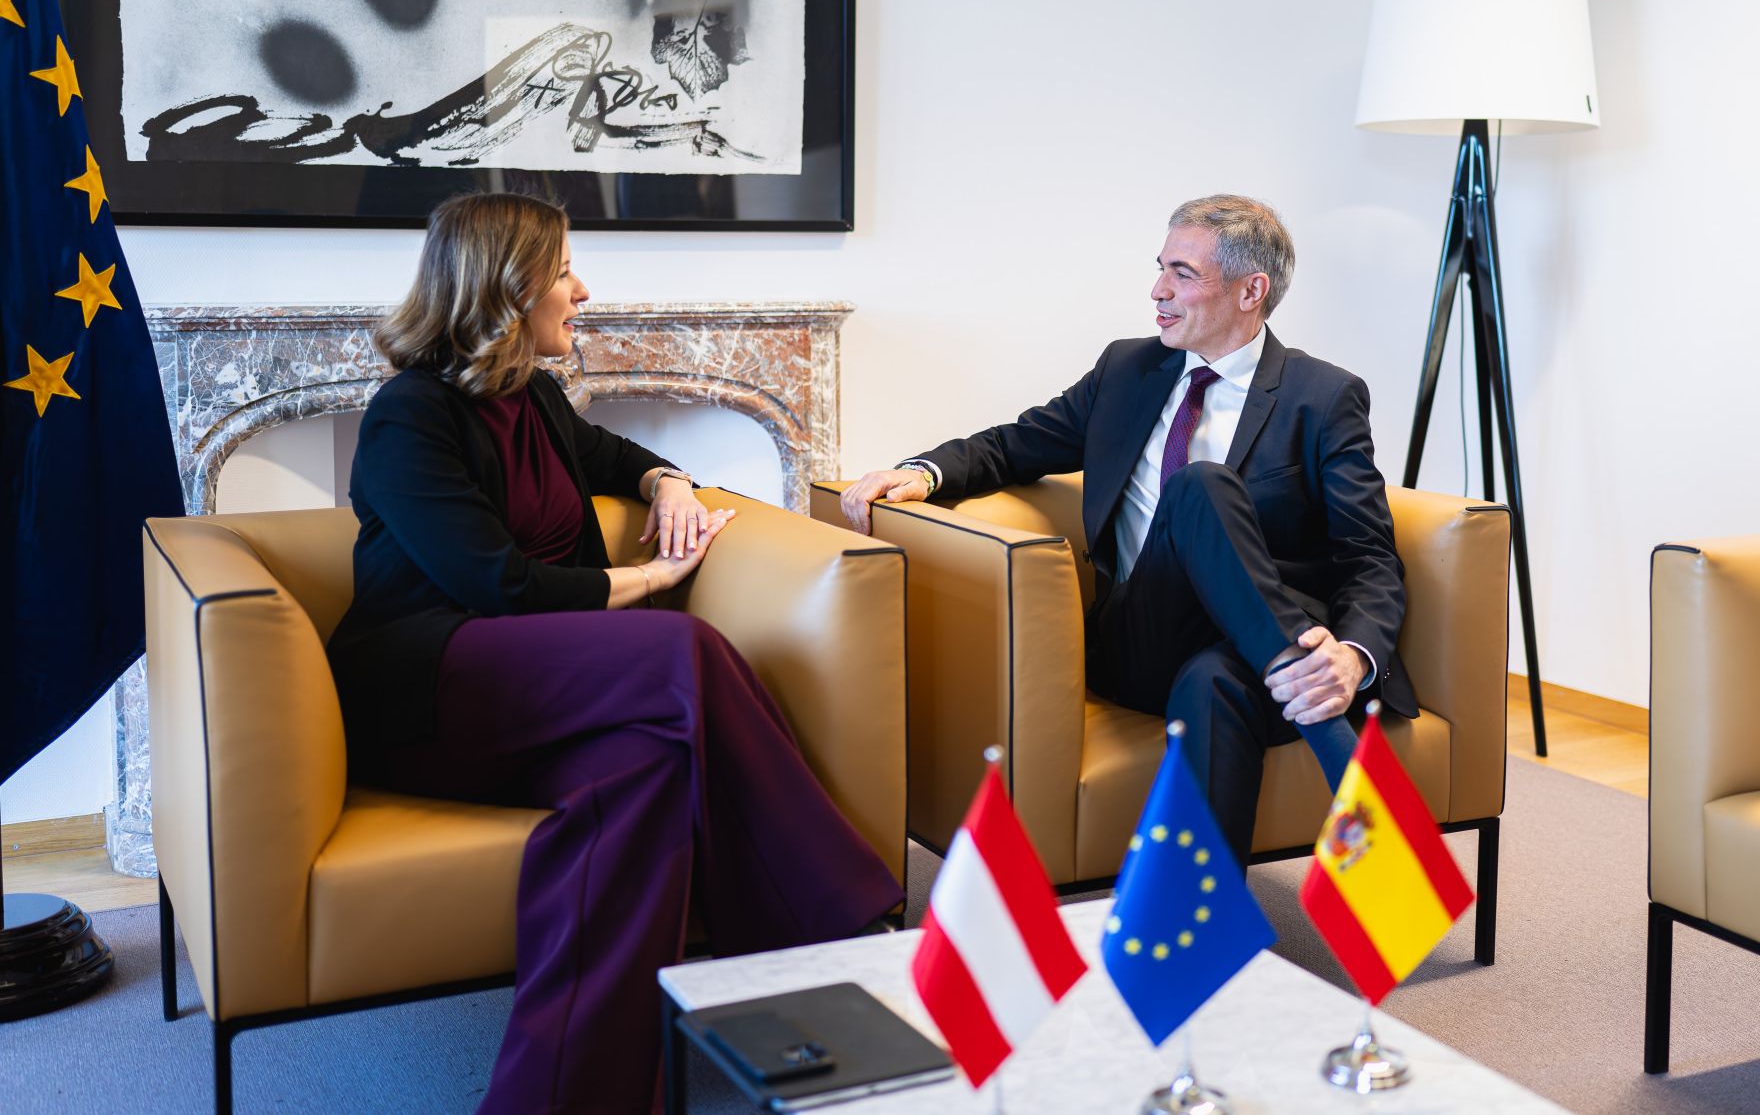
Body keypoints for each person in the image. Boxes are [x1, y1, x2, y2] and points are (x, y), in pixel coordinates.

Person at [327, 192, 902, 1114]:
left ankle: (564, 1094)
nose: (582, 290)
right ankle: (845, 930)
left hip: (545, 691)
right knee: (682, 648)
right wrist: (652, 578)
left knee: (641, 776)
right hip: (434, 689)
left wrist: (668, 480)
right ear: (507, 287)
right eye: (563, 272)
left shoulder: (535, 396)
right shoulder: (409, 416)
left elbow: (611, 455)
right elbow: (499, 586)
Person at [839, 195, 1416, 867]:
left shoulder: (1322, 396)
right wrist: (922, 471)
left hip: (1241, 652)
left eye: (1182, 273)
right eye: (1160, 267)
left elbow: (1368, 555)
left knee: (1215, 683)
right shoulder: (1127, 371)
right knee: (1200, 486)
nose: (1158, 290)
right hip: (1142, 639)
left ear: (1250, 291)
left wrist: (1352, 658)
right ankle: (1330, 735)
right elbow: (1012, 445)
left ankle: (1200, 915)